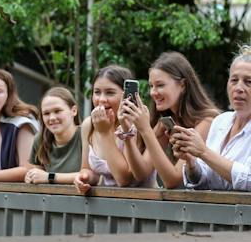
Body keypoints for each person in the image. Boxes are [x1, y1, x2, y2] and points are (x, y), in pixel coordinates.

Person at [117, 52, 219, 188]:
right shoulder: (165, 122)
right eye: (151, 86)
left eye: (160, 85)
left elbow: (172, 181)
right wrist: (127, 132)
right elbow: (141, 173)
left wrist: (146, 130)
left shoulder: (207, 121)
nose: (153, 92)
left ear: (182, 85)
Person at [172, 46, 251, 191]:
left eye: (248, 82)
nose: (239, 88)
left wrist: (203, 152)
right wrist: (191, 161)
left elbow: (248, 179)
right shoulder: (221, 121)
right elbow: (206, 180)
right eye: (234, 80)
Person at [74, 65, 156, 194]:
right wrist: (83, 177)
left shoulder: (135, 124)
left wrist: (104, 133)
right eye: (97, 92)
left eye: (110, 93)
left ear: (126, 96)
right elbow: (86, 169)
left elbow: (124, 180)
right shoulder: (89, 125)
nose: (101, 99)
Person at [24, 87, 82, 185]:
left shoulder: (85, 135)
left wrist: (49, 177)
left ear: (74, 111)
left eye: (57, 111)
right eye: (46, 113)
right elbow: (34, 174)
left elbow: (91, 176)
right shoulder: (40, 140)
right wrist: (30, 177)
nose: (52, 118)